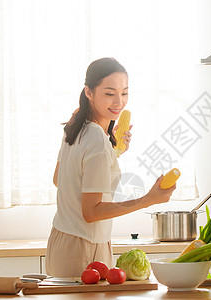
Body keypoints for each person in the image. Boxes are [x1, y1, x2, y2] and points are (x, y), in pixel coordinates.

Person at [45, 57, 175, 277]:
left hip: (61, 243)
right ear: (89, 92)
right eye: (109, 93)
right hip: (84, 249)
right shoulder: (95, 138)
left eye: (124, 92)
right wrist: (148, 200)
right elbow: (91, 212)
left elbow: (61, 180)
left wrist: (112, 152)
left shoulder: (76, 125)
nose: (119, 102)